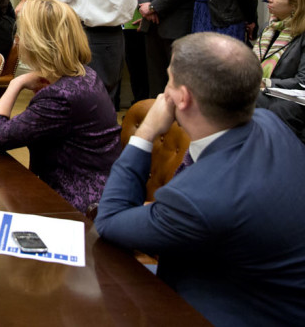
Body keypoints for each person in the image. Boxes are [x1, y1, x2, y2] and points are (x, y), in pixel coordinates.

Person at [95, 32, 305, 327]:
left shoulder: (197, 198)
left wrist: (145, 133)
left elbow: (110, 221)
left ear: (182, 98)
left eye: (168, 80)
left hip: (230, 309)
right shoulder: (270, 123)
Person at [0, 0, 120, 215]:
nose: (19, 40)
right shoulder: (86, 76)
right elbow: (39, 126)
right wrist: (1, 122)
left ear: (37, 43)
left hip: (75, 207)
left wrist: (16, 83)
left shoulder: (60, 97)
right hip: (100, 191)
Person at [254, 0, 305, 141]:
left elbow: (302, 81)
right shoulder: (267, 28)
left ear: (295, 6)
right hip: (259, 89)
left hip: (287, 98)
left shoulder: (302, 35)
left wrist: (266, 83)